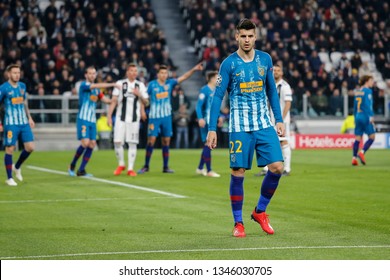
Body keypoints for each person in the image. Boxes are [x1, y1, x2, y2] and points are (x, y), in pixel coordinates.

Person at [206, 19, 285, 238]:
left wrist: (278, 119)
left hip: (263, 124)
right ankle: (238, 223)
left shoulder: (265, 59)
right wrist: (212, 128)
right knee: (238, 172)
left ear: (255, 37)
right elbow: (218, 96)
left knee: (277, 167)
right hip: (240, 127)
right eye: (243, 36)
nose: (247, 40)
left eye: (250, 36)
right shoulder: (229, 64)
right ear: (236, 37)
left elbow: (271, 91)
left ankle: (260, 211)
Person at [138, 63, 203, 174]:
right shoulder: (152, 85)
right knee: (151, 140)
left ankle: (166, 166)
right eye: (162, 73)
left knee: (166, 140)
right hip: (154, 117)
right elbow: (144, 99)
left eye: (165, 73)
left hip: (167, 117)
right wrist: (142, 111)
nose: (164, 75)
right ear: (158, 74)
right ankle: (146, 165)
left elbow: (184, 77)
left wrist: (194, 69)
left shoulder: (170, 83)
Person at [68, 66, 119, 177]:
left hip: (92, 121)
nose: (92, 75)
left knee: (92, 144)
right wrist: (112, 84)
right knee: (85, 143)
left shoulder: (96, 91)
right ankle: (72, 165)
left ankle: (81, 170)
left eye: (93, 73)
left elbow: (105, 100)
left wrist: (114, 101)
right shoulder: (84, 85)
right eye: (90, 73)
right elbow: (96, 86)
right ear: (86, 75)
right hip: (83, 119)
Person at [107, 63, 149, 176]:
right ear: (127, 72)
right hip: (121, 118)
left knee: (132, 143)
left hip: (134, 120)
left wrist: (139, 94)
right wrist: (109, 116)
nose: (134, 73)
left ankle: (130, 169)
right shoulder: (120, 84)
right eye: (131, 70)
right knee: (117, 142)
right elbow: (114, 101)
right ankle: (121, 164)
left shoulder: (140, 85)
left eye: (135, 71)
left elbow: (147, 102)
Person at [0, 64, 35, 186]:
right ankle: (9, 178)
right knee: (10, 148)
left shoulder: (22, 86)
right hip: (11, 123)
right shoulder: (3, 88)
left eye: (18, 73)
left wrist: (29, 118)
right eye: (14, 73)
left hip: (24, 122)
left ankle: (17, 166)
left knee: (30, 147)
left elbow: (24, 102)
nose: (17, 75)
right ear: (9, 74)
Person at [257, 63, 293, 176]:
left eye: (278, 70)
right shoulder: (269, 85)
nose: (276, 72)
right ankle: (266, 169)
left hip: (282, 120)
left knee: (283, 141)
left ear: (282, 73)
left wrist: (280, 119)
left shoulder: (285, 86)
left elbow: (288, 104)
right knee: (267, 142)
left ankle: (287, 169)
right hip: (269, 120)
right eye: (274, 70)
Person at [195, 70, 221, 177]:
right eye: (217, 78)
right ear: (211, 79)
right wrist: (200, 118)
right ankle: (209, 170)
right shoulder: (204, 90)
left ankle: (200, 168)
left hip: (212, 121)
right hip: (206, 121)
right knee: (208, 144)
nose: (218, 80)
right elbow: (198, 106)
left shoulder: (216, 90)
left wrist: (219, 118)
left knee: (207, 144)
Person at [351, 75, 375, 166]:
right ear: (366, 82)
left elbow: (354, 107)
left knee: (358, 138)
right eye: (371, 80)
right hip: (365, 116)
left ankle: (354, 158)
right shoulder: (368, 91)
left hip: (358, 116)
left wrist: (354, 117)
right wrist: (371, 116)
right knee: (372, 137)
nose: (372, 82)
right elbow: (368, 105)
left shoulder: (357, 92)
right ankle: (362, 152)